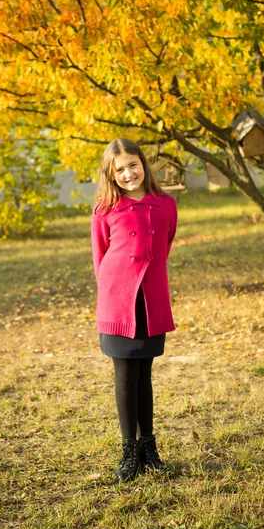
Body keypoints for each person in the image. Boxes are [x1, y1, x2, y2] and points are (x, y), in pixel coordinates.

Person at [90, 137, 178, 481]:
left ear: (143, 164)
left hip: (151, 300)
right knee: (126, 377)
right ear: (111, 175)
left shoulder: (166, 204)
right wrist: (114, 294)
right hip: (117, 300)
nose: (128, 174)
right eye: (120, 169)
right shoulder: (104, 208)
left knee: (146, 376)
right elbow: (100, 257)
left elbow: (165, 246)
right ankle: (129, 451)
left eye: (133, 165)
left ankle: (149, 448)